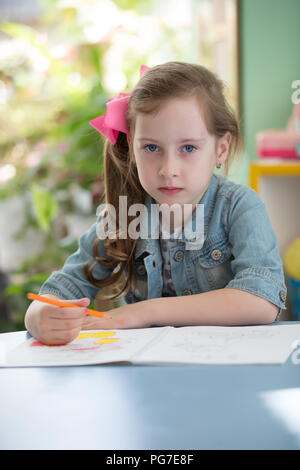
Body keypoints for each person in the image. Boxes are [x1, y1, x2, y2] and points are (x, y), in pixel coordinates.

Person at [24, 61, 287, 345]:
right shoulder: (126, 215)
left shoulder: (239, 207)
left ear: (220, 149)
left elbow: (261, 299)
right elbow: (60, 289)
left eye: (188, 148)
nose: (168, 169)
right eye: (151, 147)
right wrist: (39, 317)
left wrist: (145, 313)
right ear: (133, 149)